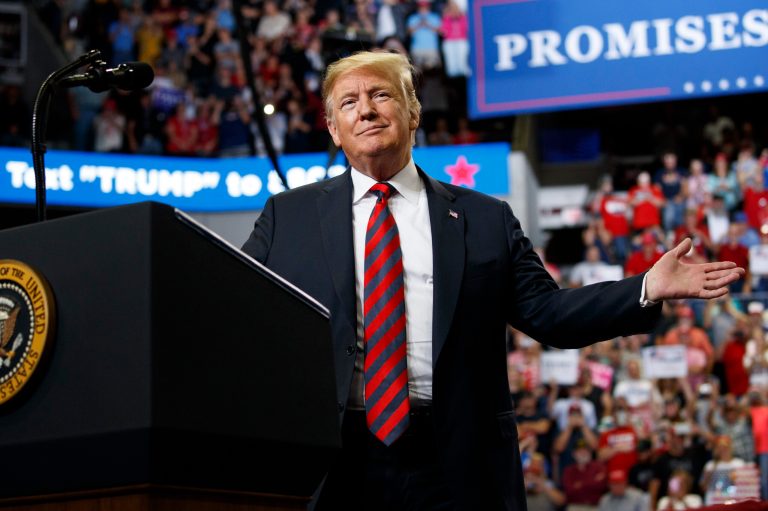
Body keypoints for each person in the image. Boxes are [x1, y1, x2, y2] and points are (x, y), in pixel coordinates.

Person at [240, 51, 744, 511]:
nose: (365, 110)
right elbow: (235, 307)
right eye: (348, 102)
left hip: (456, 461)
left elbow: (550, 316)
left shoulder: (485, 220)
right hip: (336, 462)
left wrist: (645, 288)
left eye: (381, 94)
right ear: (332, 127)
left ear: (413, 111)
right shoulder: (289, 217)